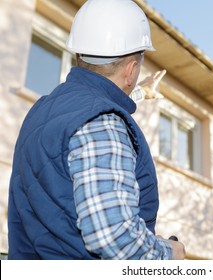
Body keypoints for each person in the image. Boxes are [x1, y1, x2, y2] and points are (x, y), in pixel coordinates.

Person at [8, 0, 185, 260]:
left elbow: (92, 102)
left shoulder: (43, 110)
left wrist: (139, 92)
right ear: (132, 69)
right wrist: (170, 254)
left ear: (79, 54)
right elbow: (114, 237)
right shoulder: (103, 121)